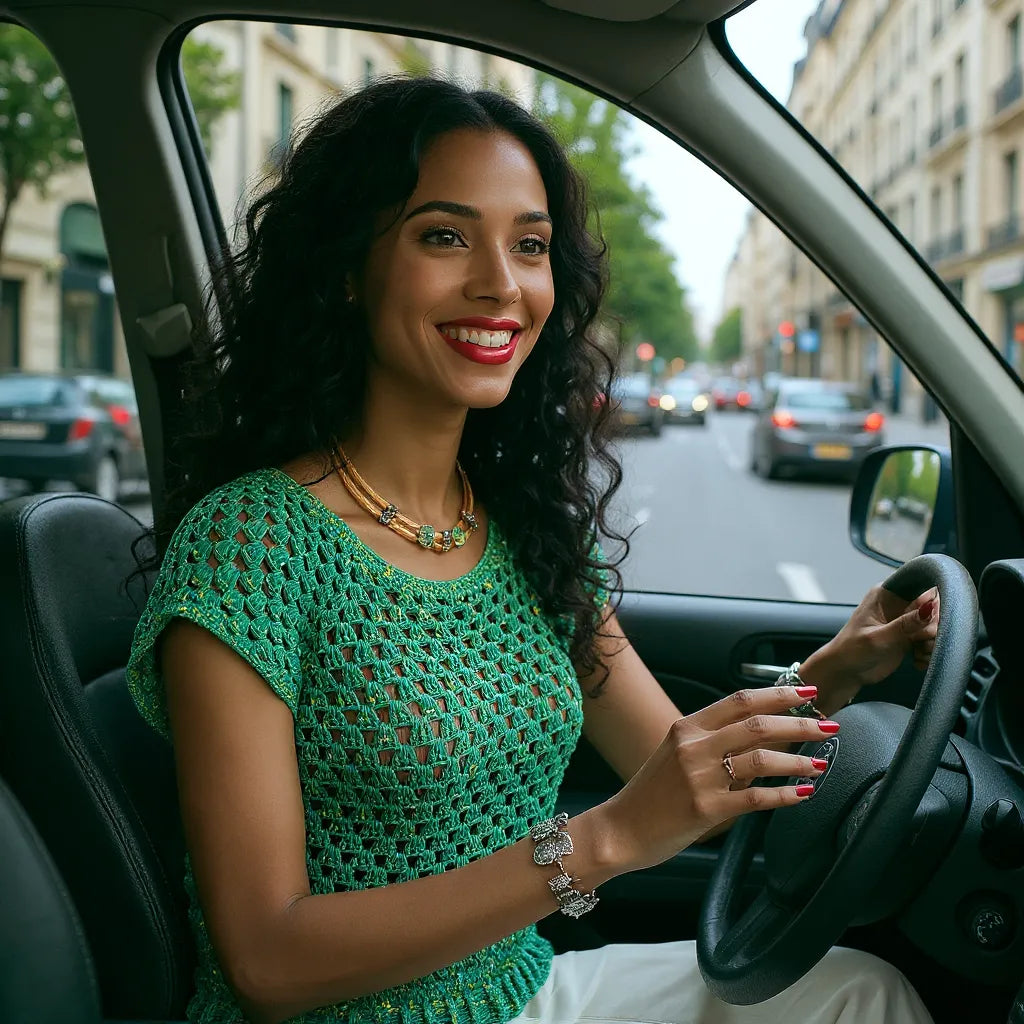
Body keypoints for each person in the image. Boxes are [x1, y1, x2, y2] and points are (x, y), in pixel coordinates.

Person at [126, 76, 938, 1024]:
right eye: (444, 235)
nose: (500, 284)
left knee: (866, 993)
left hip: (517, 995)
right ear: (348, 265)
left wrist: (835, 673)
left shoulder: (519, 527)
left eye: (530, 246)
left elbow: (667, 763)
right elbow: (264, 957)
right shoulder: (250, 546)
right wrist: (597, 843)